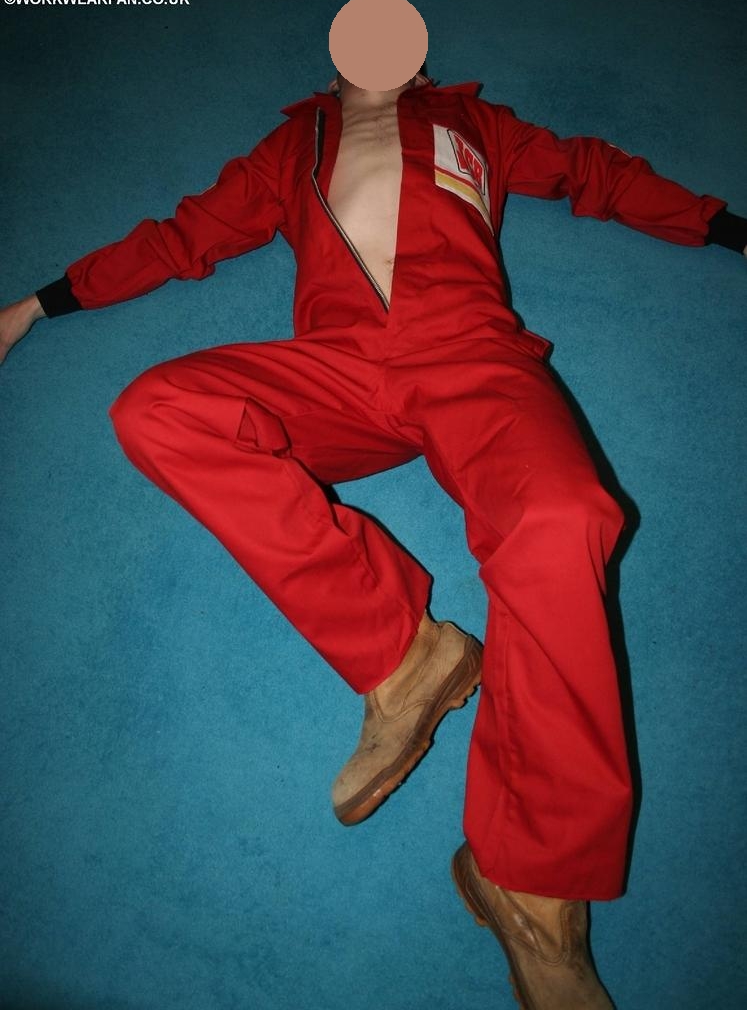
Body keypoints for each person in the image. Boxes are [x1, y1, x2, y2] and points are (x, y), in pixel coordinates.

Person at [1, 64, 745, 1010]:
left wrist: (727, 227)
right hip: (338, 369)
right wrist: (34, 305)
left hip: (473, 355)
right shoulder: (291, 146)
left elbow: (598, 172)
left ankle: (531, 882)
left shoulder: (476, 122)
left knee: (564, 517)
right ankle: (404, 654)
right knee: (159, 409)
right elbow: (182, 236)